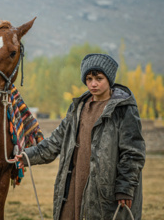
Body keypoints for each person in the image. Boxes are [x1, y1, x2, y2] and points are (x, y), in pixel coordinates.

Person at [15, 54, 145, 220]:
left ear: (109, 79)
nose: (93, 83)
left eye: (99, 78)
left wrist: (125, 187)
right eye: (89, 78)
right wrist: (27, 156)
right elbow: (55, 142)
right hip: (73, 187)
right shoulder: (77, 108)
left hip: (107, 193)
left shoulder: (124, 109)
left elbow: (133, 153)